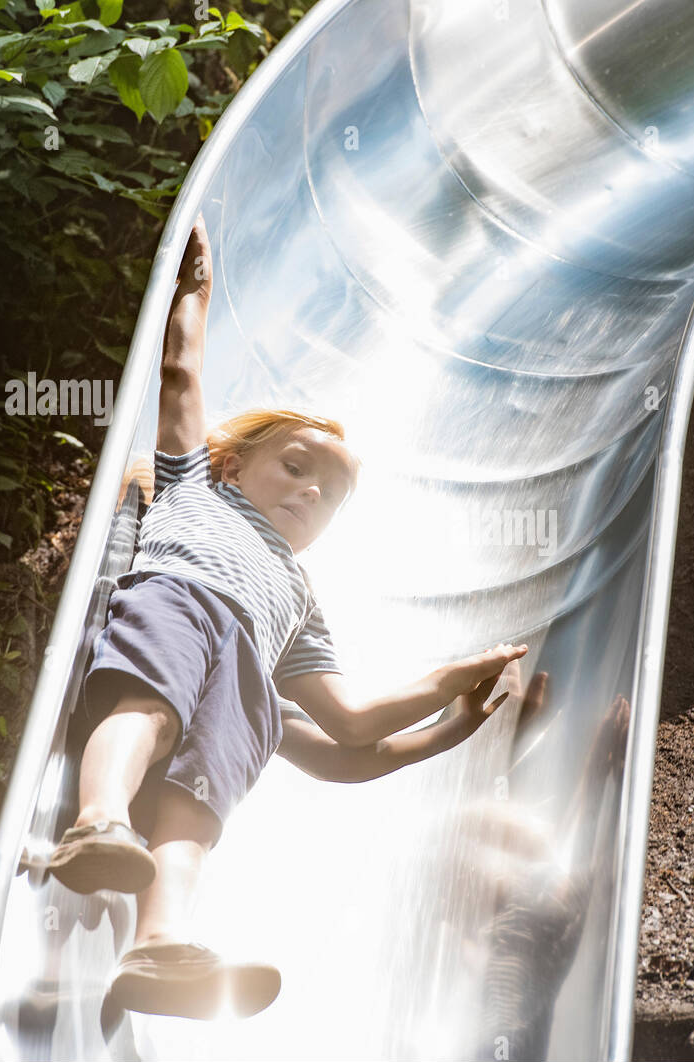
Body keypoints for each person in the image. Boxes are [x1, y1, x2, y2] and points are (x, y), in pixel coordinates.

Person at [49, 215, 527, 1021]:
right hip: (178, 600)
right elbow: (179, 377)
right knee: (151, 709)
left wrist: (450, 708)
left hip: (239, 669)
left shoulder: (299, 601)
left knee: (197, 808)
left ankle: (156, 945)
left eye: (330, 495)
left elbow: (349, 730)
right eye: (297, 467)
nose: (311, 492)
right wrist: (194, 291)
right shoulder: (195, 486)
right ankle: (97, 820)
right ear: (234, 465)